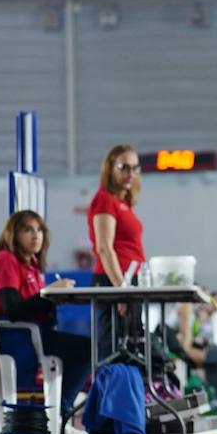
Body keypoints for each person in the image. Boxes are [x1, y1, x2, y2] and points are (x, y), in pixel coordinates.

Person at [0, 210, 92, 434]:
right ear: (14, 234)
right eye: (28, 229)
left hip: (36, 333)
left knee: (86, 349)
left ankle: (59, 413)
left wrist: (53, 298)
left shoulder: (32, 264)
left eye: (39, 230)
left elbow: (34, 305)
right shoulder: (6, 260)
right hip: (16, 337)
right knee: (89, 350)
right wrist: (48, 294)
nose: (36, 235)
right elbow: (12, 309)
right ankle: (61, 413)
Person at [89, 145, 147, 358]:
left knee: (131, 348)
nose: (130, 174)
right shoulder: (104, 199)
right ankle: (110, 391)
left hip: (128, 281)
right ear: (110, 169)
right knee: (113, 350)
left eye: (135, 168)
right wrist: (121, 290)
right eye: (124, 167)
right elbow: (104, 248)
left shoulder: (122, 202)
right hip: (113, 281)